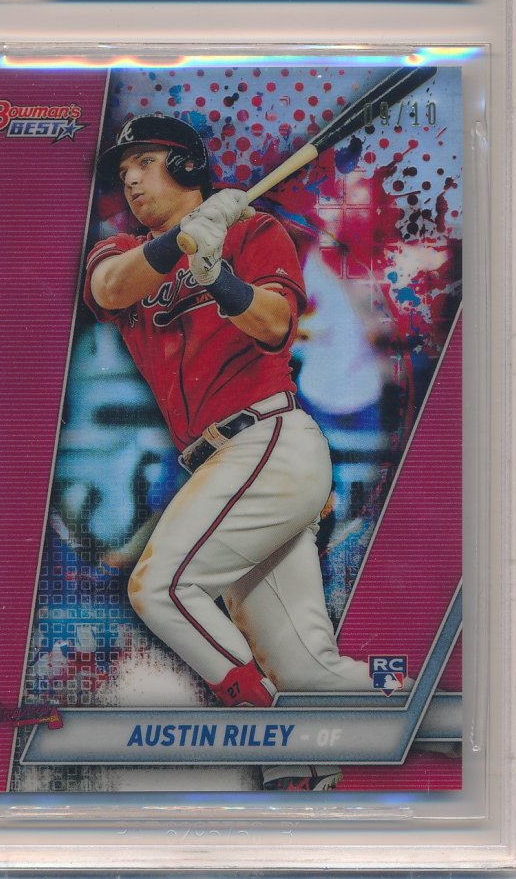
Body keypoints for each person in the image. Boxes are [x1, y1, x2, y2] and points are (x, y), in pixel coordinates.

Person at [84, 114, 378, 791]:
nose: (131, 180)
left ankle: (278, 741)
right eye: (124, 171)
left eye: (146, 162)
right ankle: (433, 715)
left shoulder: (251, 232)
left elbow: (275, 326)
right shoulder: (122, 251)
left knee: (160, 588)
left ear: (188, 166)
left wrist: (218, 276)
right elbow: (109, 289)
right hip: (223, 464)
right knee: (306, 669)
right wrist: (181, 243)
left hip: (267, 440)